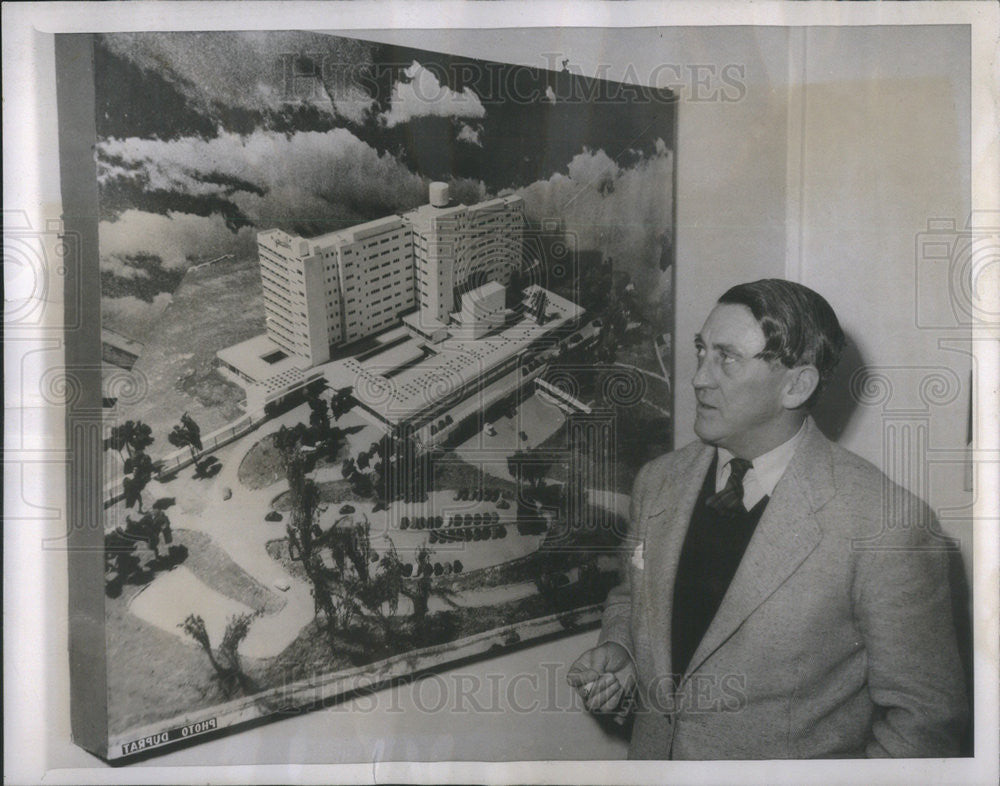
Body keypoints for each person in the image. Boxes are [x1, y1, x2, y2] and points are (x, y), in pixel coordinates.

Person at [567, 279, 968, 759]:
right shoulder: (659, 481)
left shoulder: (886, 523)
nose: (699, 377)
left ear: (796, 385)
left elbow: (924, 722)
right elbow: (631, 597)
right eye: (701, 350)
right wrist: (624, 651)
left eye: (727, 358)